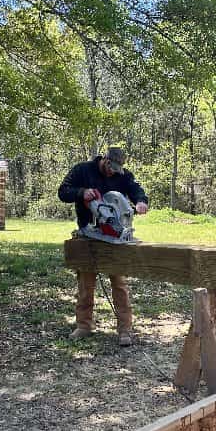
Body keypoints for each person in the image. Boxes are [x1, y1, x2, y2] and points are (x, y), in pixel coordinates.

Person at [58, 147, 148, 347]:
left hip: (115, 236)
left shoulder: (123, 175)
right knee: (85, 283)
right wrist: (82, 192)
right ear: (105, 159)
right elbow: (63, 192)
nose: (113, 172)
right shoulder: (82, 170)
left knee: (119, 283)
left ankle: (125, 329)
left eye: (117, 170)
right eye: (111, 168)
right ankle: (84, 325)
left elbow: (135, 189)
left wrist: (141, 201)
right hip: (88, 233)